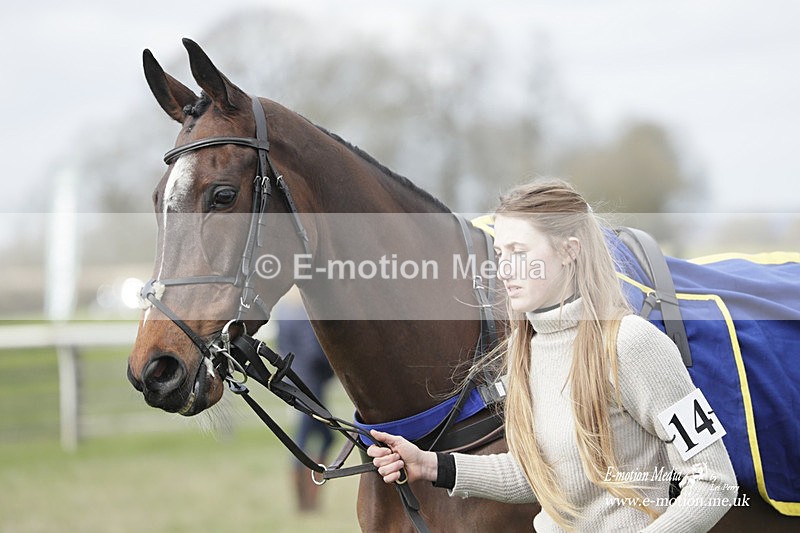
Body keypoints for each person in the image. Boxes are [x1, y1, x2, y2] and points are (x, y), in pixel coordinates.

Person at [368, 180, 737, 532]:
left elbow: (714, 481)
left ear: (568, 251)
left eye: (519, 252)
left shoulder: (633, 343)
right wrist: (428, 464)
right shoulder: (523, 350)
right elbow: (538, 474)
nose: (505, 269)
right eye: (500, 253)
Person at [274, 289, 335, 512]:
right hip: (312, 384)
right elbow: (316, 353)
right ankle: (306, 502)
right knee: (305, 441)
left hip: (294, 379)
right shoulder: (306, 311)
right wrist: (330, 372)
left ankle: (308, 501)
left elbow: (281, 346)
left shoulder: (283, 309)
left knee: (319, 438)